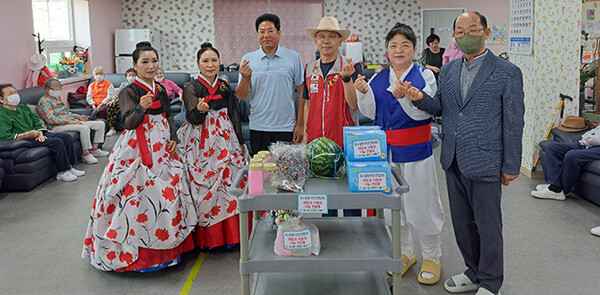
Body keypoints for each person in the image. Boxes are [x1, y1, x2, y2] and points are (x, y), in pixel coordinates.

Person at [404, 11, 524, 295]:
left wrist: (511, 164)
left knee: (487, 224)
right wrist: (420, 98)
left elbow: (514, 121)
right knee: (462, 222)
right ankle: (473, 271)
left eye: (473, 29)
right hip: (453, 157)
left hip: (486, 159)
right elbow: (441, 109)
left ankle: (492, 281)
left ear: (486, 32)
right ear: (454, 36)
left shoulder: (507, 72)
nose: (466, 34)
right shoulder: (449, 69)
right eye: (460, 30)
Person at [82, 41, 198, 272]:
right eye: (145, 62)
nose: (151, 66)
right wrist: (140, 109)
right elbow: (127, 123)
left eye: (154, 61)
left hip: (163, 145)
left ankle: (169, 248)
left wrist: (173, 136)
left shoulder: (162, 89)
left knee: (169, 192)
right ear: (134, 65)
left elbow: (167, 116)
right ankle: (139, 255)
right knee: (137, 196)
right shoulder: (129, 91)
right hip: (137, 147)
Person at [354, 22, 444, 285]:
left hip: (416, 151)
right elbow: (371, 113)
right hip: (386, 154)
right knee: (396, 207)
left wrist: (406, 96)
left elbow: (424, 112)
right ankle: (404, 253)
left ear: (414, 49)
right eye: (393, 45)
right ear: (387, 51)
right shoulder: (378, 77)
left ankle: (432, 255)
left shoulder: (425, 76)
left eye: (405, 45)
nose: (399, 50)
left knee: (423, 204)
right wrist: (362, 94)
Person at [177, 43, 246, 249]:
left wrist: (240, 141)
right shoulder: (191, 87)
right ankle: (211, 237)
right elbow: (192, 118)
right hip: (201, 139)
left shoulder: (224, 86)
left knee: (231, 179)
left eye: (214, 60)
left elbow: (234, 114)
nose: (210, 64)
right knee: (204, 182)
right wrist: (200, 111)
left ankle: (233, 234)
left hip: (226, 136)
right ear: (198, 64)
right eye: (205, 61)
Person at [236, 13, 305, 154]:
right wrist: (245, 78)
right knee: (261, 172)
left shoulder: (293, 57)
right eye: (262, 32)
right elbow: (241, 96)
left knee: (285, 172)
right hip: (258, 126)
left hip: (286, 127)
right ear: (257, 35)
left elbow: (303, 91)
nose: (266, 35)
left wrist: (300, 124)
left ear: (279, 33)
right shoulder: (248, 59)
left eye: (270, 31)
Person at [0, 83, 85, 182]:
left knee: (66, 137)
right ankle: (62, 172)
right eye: (11, 94)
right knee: (57, 142)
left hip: (37, 134)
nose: (15, 95)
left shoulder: (24, 108)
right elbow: (4, 136)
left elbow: (36, 121)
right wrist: (27, 135)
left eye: (15, 92)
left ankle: (70, 167)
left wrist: (40, 132)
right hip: (25, 140)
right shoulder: (2, 115)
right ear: (1, 99)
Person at [303, 16, 361, 147]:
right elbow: (307, 103)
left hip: (344, 139)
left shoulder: (352, 66)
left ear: (340, 40)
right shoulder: (309, 69)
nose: (326, 41)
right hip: (315, 141)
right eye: (321, 36)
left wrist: (346, 79)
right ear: (315, 40)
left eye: (332, 36)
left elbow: (354, 105)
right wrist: (305, 132)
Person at [37, 79, 109, 164]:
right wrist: (70, 122)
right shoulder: (44, 102)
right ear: (48, 89)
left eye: (59, 88)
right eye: (55, 88)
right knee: (84, 128)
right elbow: (51, 119)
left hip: (69, 121)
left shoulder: (57, 99)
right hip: (55, 127)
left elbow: (66, 113)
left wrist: (78, 117)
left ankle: (95, 149)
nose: (58, 91)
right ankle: (86, 154)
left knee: (100, 124)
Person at [531, 123, 600, 200]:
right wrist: (587, 137)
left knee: (572, 155)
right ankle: (554, 185)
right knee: (552, 147)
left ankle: (558, 190)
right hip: (586, 144)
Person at [105, 68, 137, 137]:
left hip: (133, 103)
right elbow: (117, 93)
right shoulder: (123, 84)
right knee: (111, 106)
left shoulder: (138, 85)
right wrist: (113, 99)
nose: (131, 77)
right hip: (123, 102)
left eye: (133, 75)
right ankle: (112, 129)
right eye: (129, 75)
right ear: (126, 77)